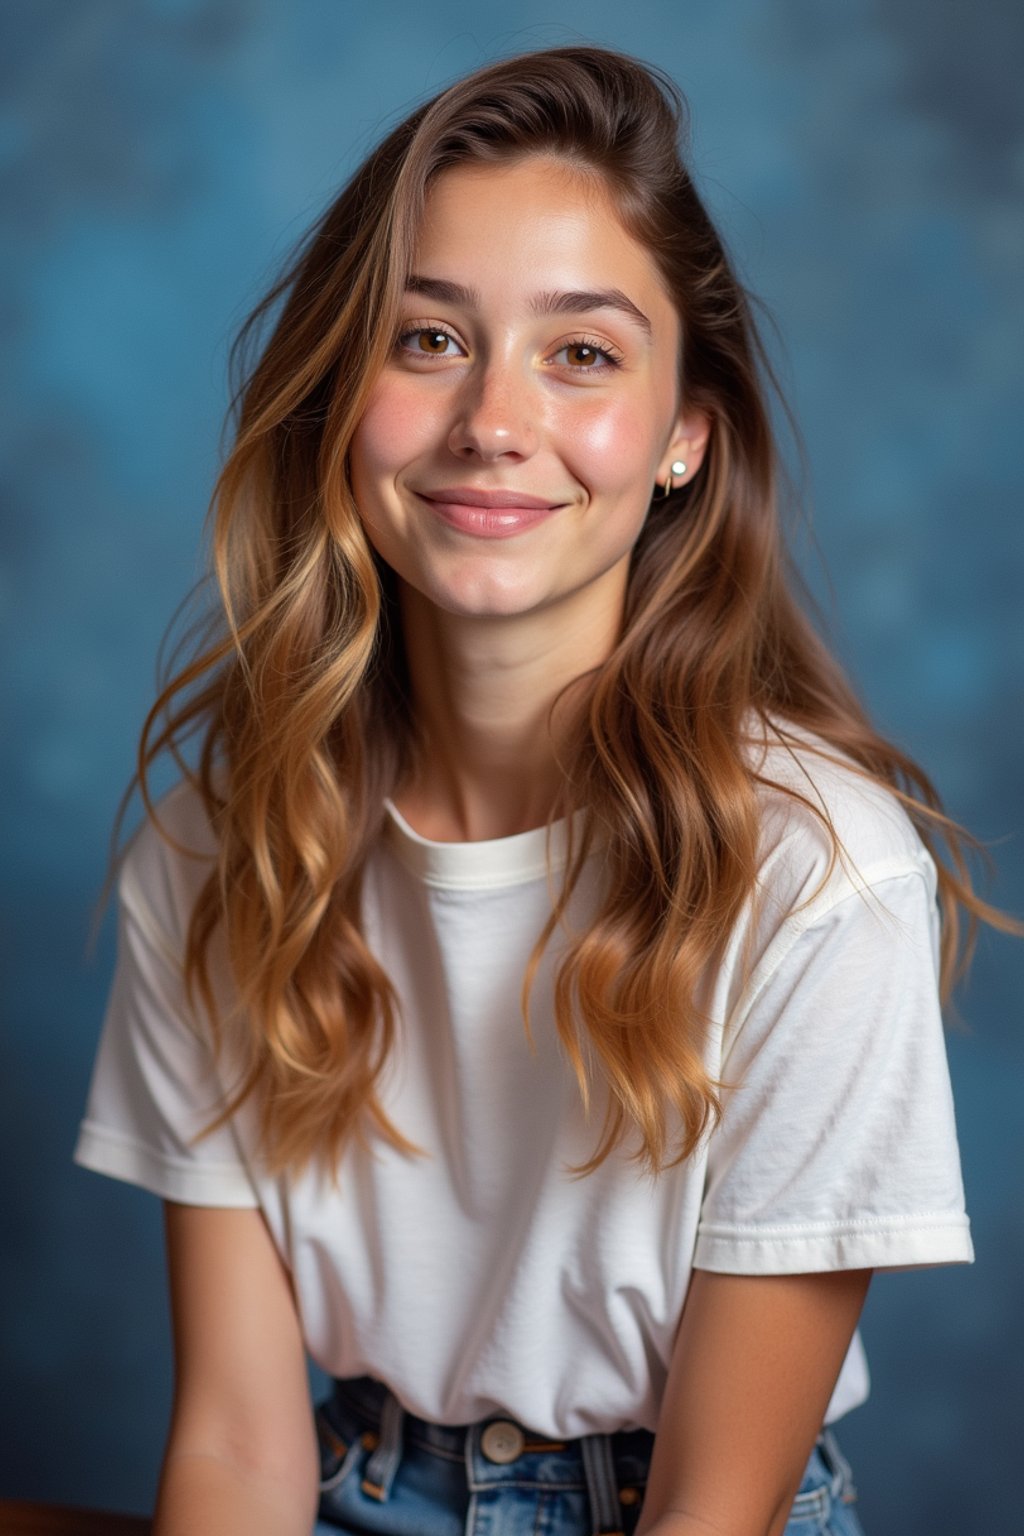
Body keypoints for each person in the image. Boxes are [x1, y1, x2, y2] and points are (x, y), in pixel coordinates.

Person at [73, 45, 1003, 1536]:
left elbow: (718, 1508)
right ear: (339, 402)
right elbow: (243, 1453)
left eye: (583, 353)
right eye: (427, 340)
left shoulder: (821, 876)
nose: (493, 421)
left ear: (687, 434)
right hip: (346, 1493)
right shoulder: (218, 847)